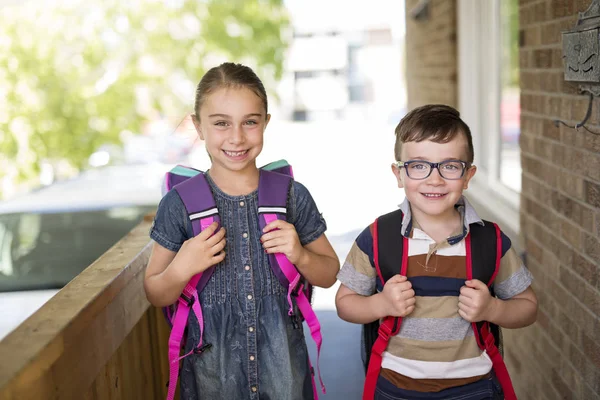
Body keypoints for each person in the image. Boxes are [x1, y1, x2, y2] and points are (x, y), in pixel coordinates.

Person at [144, 62, 340, 400]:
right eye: (221, 123)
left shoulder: (292, 196)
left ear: (265, 122)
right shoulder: (179, 205)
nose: (236, 137)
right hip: (212, 381)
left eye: (250, 122)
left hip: (285, 380)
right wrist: (183, 266)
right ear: (198, 126)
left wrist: (300, 254)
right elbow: (156, 292)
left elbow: (328, 273)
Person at [335, 104, 538, 399]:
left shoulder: (489, 241)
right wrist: (381, 304)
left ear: (468, 176)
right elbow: (345, 303)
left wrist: (493, 309)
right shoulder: (378, 237)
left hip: (474, 388)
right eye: (418, 165)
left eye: (450, 165)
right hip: (395, 386)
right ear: (399, 174)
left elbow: (528, 307)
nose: (434, 178)